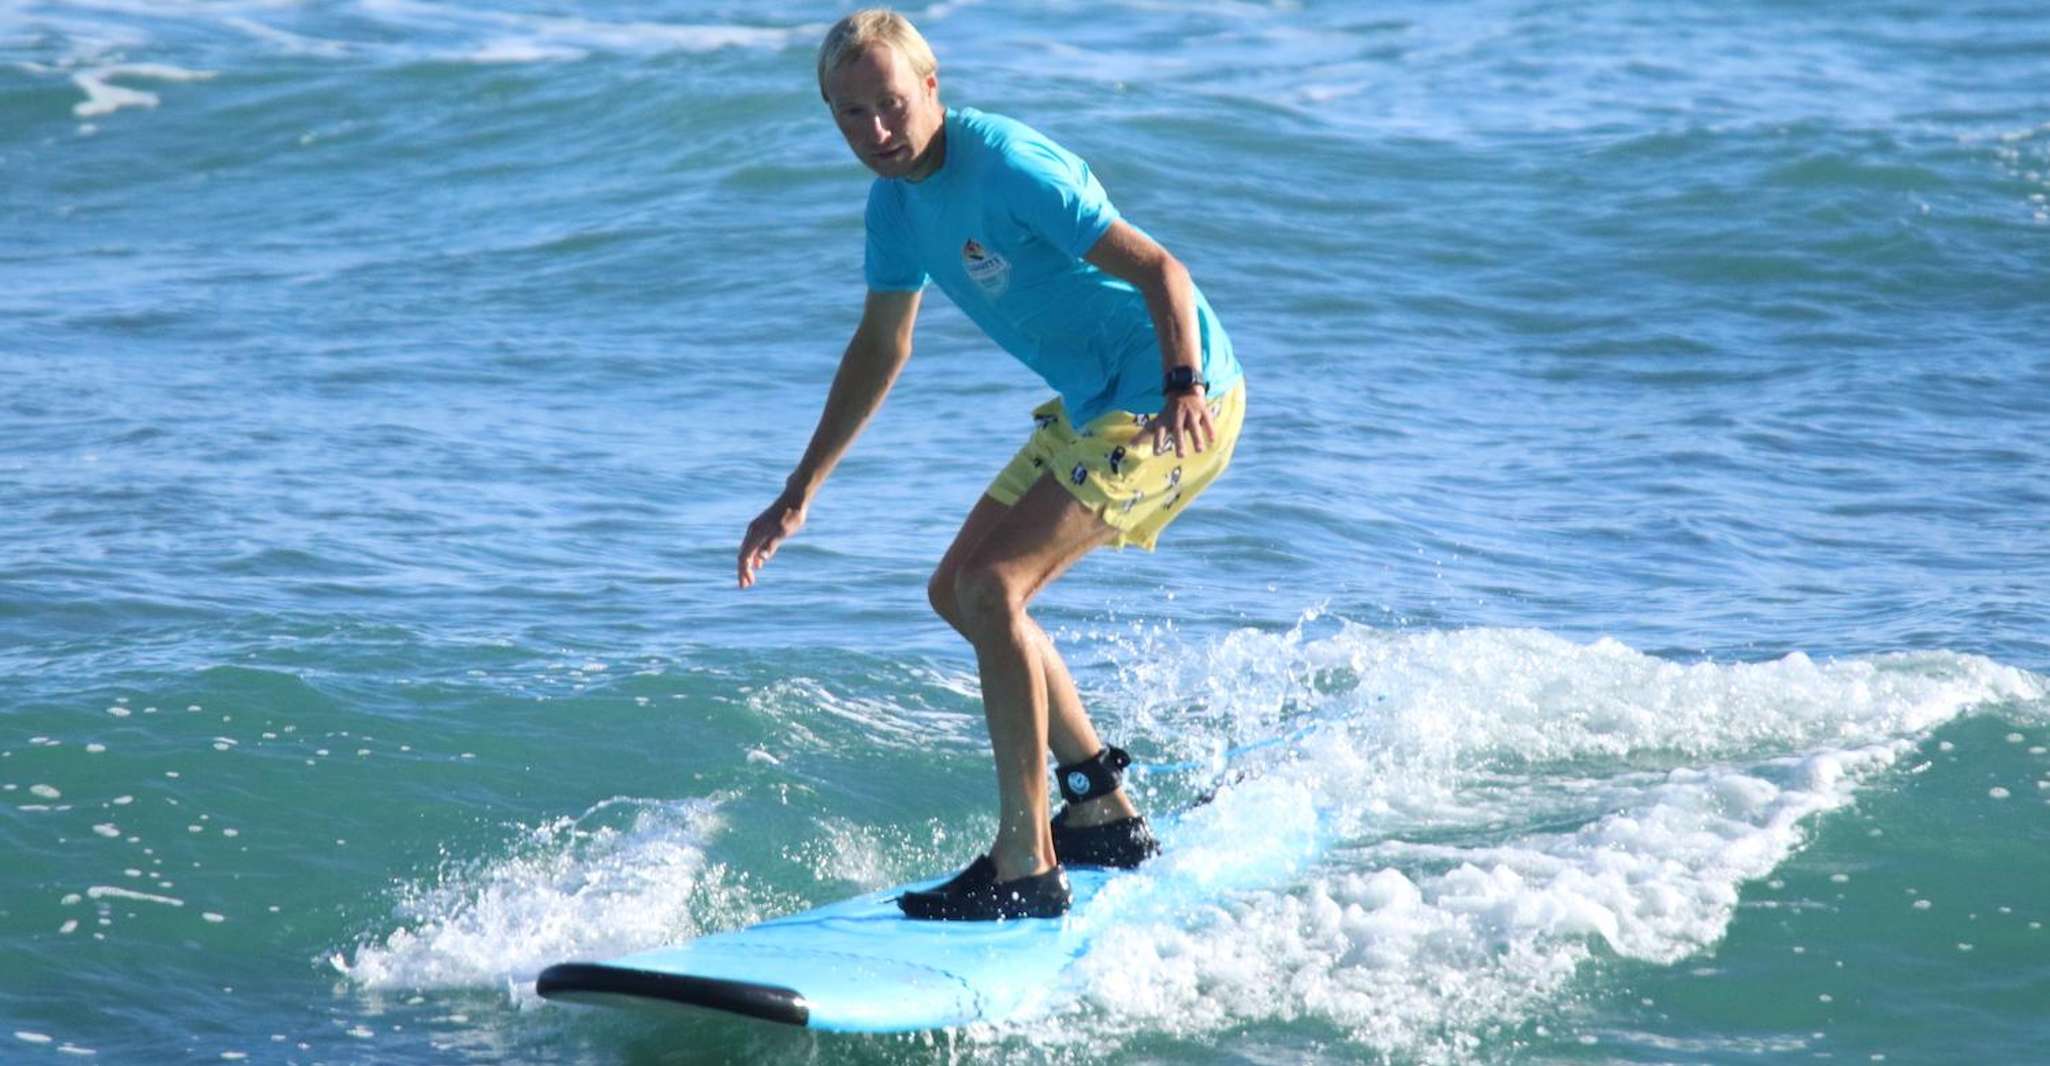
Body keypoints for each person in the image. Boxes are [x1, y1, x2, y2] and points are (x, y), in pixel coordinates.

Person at [737, 8, 1245, 921]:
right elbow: (880, 346)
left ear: (932, 87)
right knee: (957, 591)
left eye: (890, 105)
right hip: (1097, 403)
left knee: (994, 589)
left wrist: (1182, 384)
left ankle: (1027, 860)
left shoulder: (1006, 165)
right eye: (851, 116)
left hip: (1173, 397)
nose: (877, 133)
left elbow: (1162, 269)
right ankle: (1099, 804)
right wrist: (798, 489)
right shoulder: (894, 205)